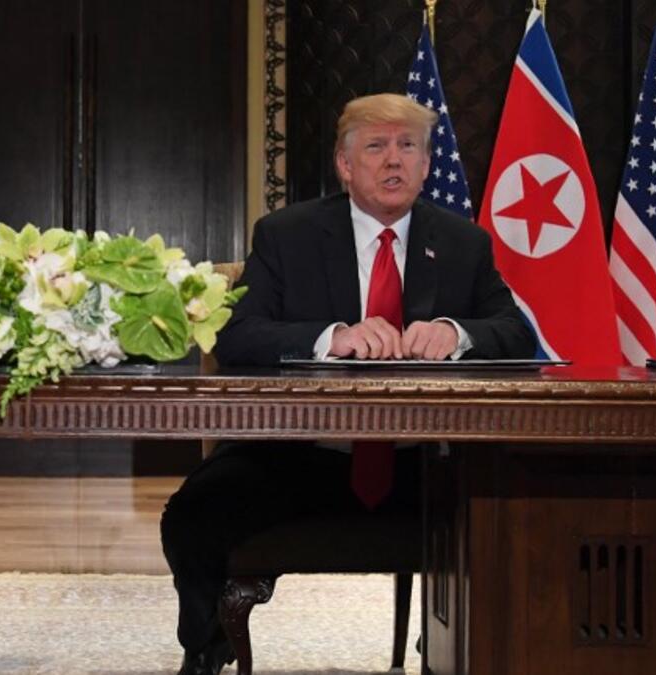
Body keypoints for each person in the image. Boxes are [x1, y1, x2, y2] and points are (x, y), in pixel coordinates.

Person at [160, 93, 535, 675]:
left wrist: (454, 332)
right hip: (297, 456)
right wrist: (329, 337)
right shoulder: (286, 235)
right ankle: (207, 650)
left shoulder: (463, 242)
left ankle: (465, 649)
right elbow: (237, 336)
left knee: (519, 509)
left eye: (408, 147)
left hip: (425, 464)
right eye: (377, 147)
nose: (394, 162)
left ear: (427, 164)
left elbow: (516, 333)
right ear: (344, 163)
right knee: (194, 514)